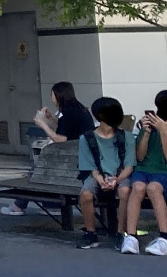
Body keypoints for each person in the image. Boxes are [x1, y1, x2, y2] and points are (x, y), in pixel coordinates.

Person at [4, 81, 94, 215]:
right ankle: (45, 204)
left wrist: (43, 125)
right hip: (79, 153)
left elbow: (61, 139)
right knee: (38, 171)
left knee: (37, 172)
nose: (51, 98)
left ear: (58, 95)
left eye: (52, 95)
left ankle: (19, 206)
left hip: (73, 157)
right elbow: (66, 129)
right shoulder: (77, 109)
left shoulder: (68, 112)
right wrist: (51, 118)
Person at [121, 89, 167, 256]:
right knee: (137, 187)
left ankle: (165, 239)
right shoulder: (149, 129)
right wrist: (146, 133)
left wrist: (164, 132)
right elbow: (139, 156)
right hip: (144, 169)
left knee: (153, 188)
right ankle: (131, 237)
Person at [74, 97, 134, 250]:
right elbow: (90, 166)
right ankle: (90, 233)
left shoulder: (126, 136)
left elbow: (129, 166)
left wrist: (116, 179)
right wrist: (101, 180)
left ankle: (121, 233)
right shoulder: (86, 138)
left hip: (121, 175)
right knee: (86, 194)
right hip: (97, 175)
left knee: (125, 191)